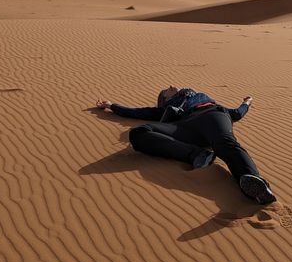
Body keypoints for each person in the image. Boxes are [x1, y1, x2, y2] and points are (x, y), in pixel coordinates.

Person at [95, 85, 276, 205]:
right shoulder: (165, 109)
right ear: (164, 100)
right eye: (167, 90)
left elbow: (236, 114)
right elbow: (136, 112)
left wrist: (246, 103)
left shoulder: (203, 99)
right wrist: (112, 105)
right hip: (184, 127)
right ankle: (197, 155)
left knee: (224, 143)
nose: (172, 86)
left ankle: (254, 182)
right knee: (139, 132)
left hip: (212, 115)